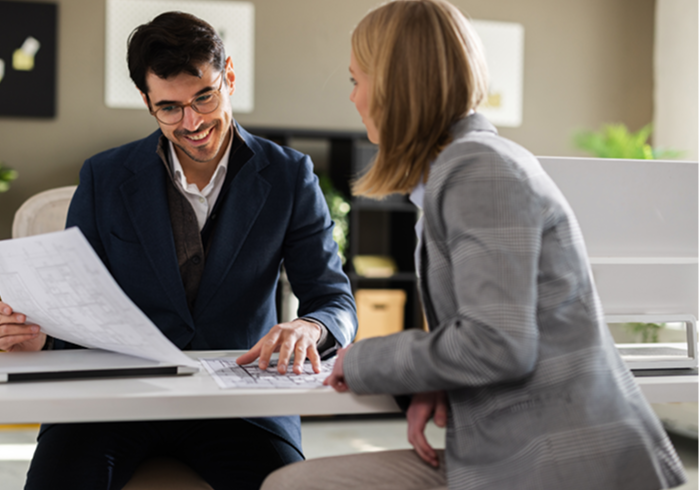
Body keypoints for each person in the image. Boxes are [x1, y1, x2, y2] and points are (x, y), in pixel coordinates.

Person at [261, 1, 687, 489]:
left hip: (562, 464)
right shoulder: (471, 165)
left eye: (357, 81)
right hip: (511, 452)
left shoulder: (477, 171)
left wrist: (360, 359)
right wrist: (436, 378)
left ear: (396, 87)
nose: (354, 99)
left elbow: (497, 343)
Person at [0, 11, 357, 490]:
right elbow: (74, 306)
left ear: (229, 78)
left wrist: (311, 326)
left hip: (240, 409)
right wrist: (39, 336)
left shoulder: (290, 175)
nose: (194, 121)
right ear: (147, 102)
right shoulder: (104, 177)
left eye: (205, 96)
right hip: (112, 401)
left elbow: (335, 300)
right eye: (170, 108)